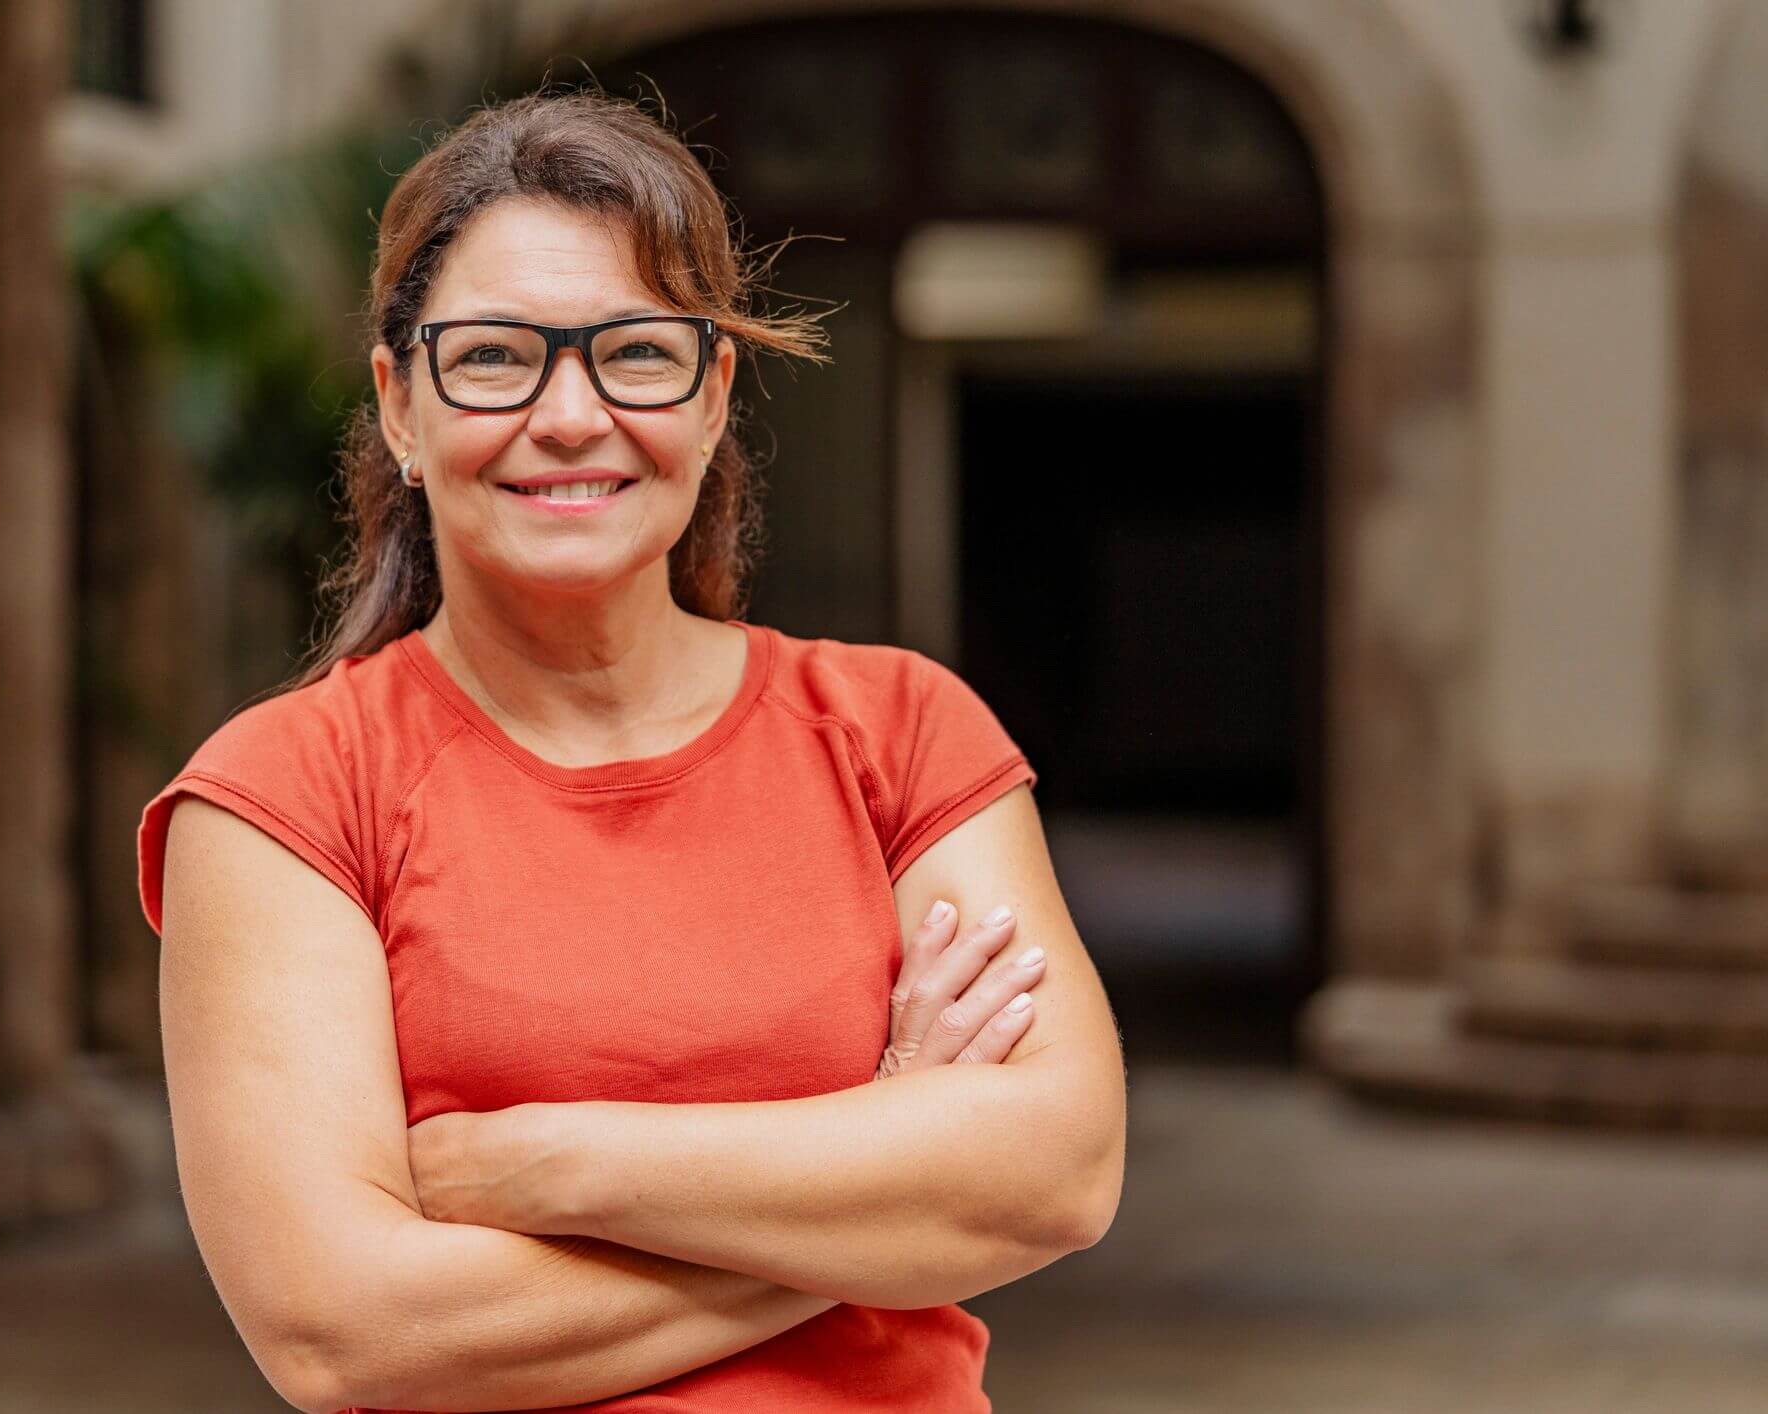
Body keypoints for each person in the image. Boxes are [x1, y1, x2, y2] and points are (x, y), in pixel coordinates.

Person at [137, 87, 1126, 1414]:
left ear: (714, 393)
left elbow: (1058, 1170)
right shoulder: (285, 796)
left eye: (636, 354)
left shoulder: (900, 733)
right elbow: (346, 1330)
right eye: (494, 357)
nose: (569, 414)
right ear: (400, 407)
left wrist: (551, 1162)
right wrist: (880, 1183)